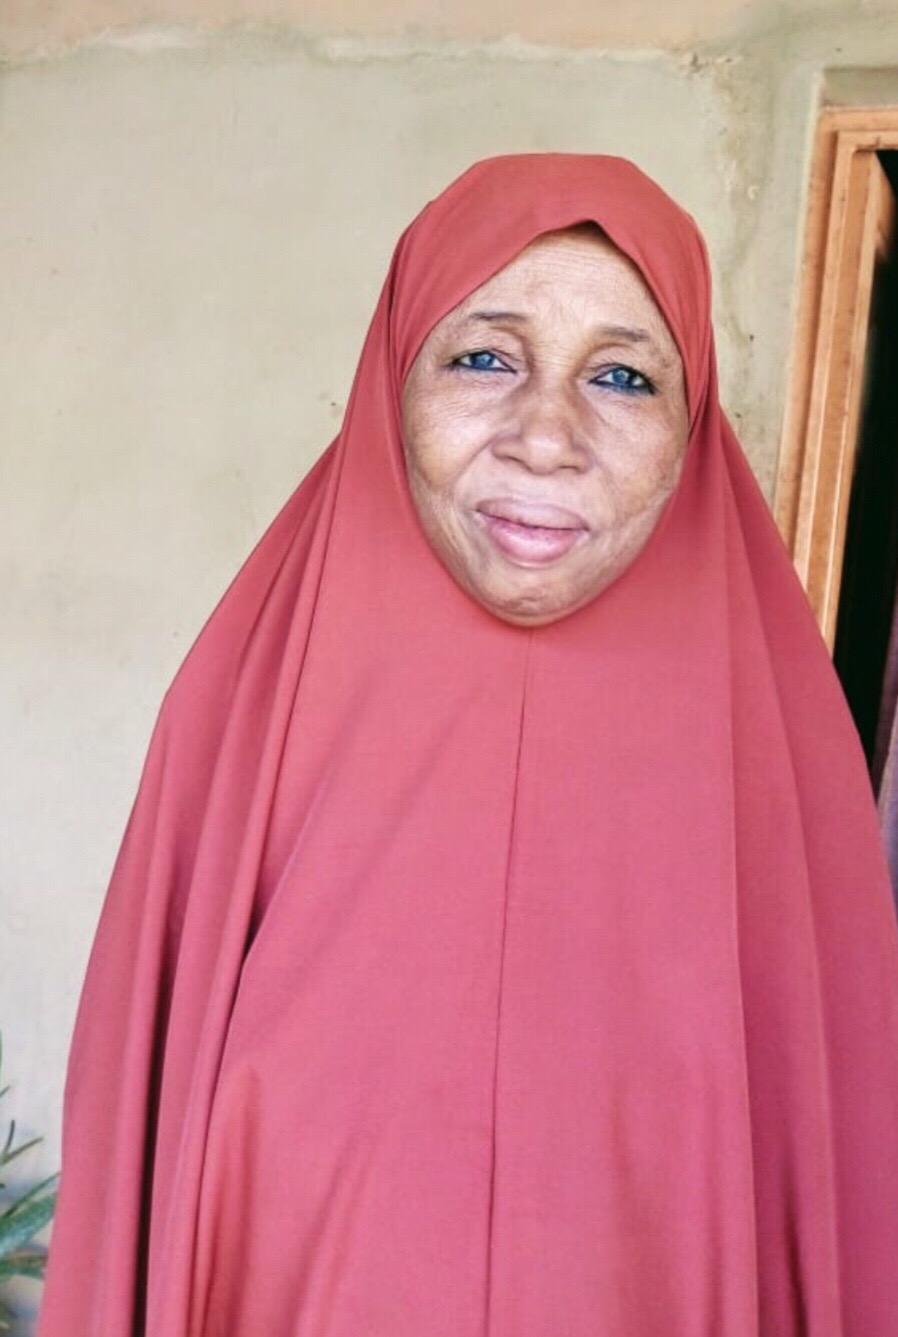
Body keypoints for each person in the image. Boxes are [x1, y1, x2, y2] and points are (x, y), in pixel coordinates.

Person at [37, 154, 898, 1337]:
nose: (545, 436)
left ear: (693, 421)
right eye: (485, 357)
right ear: (392, 375)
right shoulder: (236, 727)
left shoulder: (789, 788)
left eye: (622, 375)